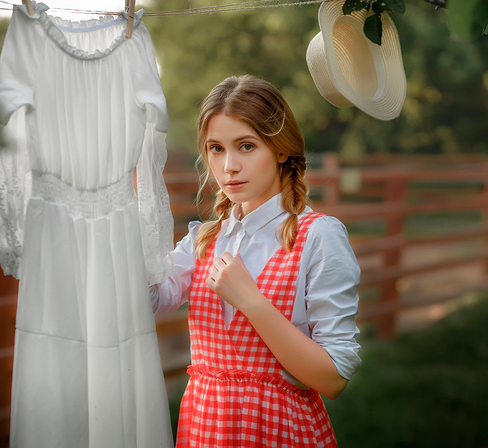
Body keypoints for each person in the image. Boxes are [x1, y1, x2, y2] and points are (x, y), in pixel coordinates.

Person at [150, 75, 361, 447]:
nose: (229, 165)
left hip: (279, 433)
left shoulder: (318, 237)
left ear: (281, 149)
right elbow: (146, 299)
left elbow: (333, 379)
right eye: (216, 148)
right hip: (205, 431)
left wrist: (251, 302)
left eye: (246, 146)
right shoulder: (204, 241)